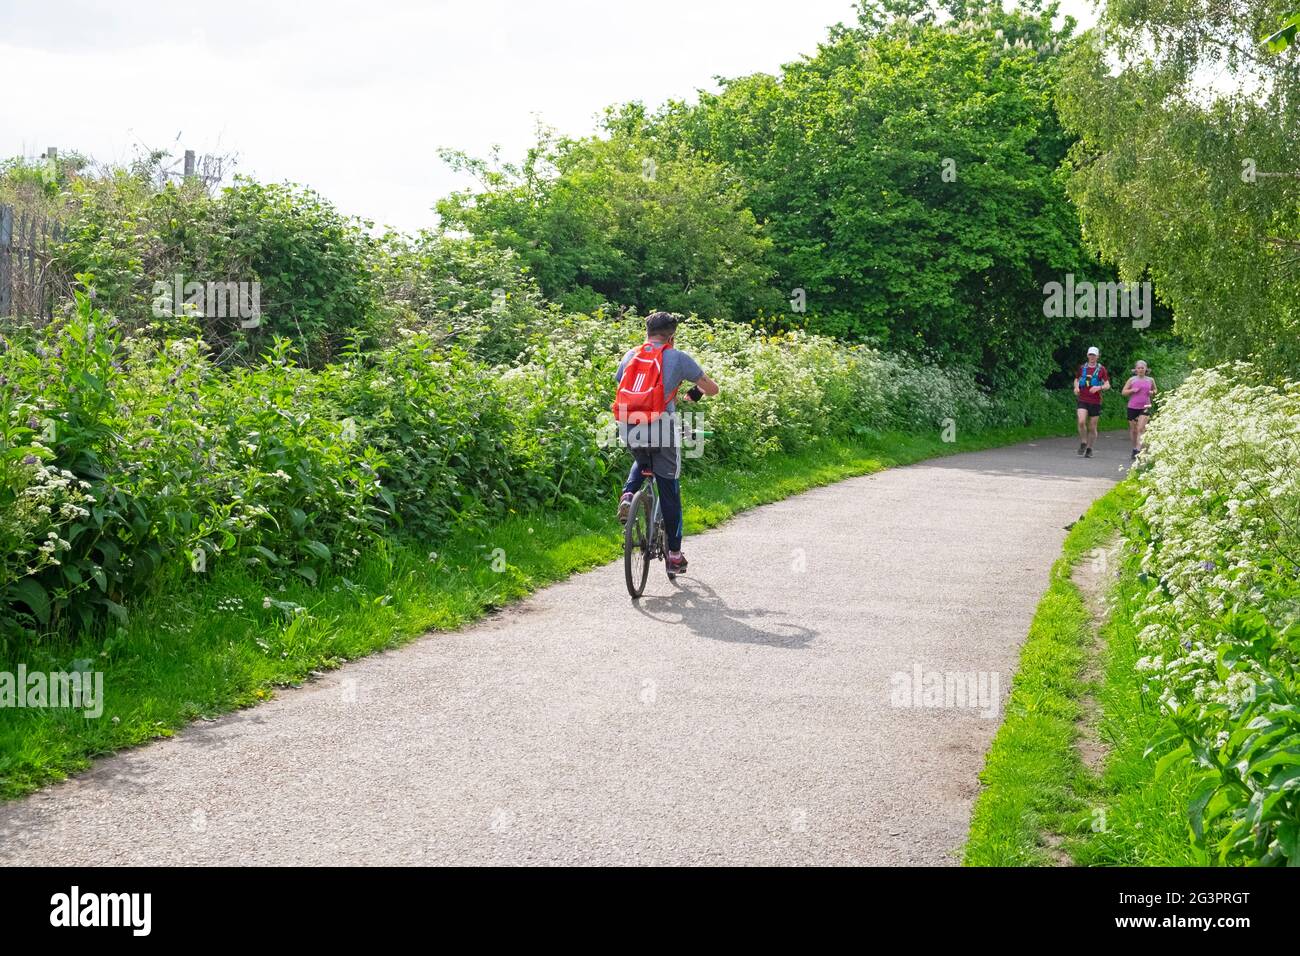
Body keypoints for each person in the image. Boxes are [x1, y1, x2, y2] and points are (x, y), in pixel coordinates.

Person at [613, 312, 718, 575]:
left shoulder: (631, 355)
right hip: (662, 427)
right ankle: (674, 555)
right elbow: (711, 388)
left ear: (646, 331)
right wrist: (695, 393)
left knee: (641, 460)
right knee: (669, 489)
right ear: (671, 335)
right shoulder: (677, 357)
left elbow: (621, 382)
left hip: (628, 424)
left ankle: (628, 495)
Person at [1073, 345, 1109, 458]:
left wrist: (1099, 388)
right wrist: (1076, 387)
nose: (1092, 357)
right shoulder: (1082, 367)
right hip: (1083, 398)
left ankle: (1090, 448)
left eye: (1094, 355)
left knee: (1092, 427)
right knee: (1081, 421)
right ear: (1087, 355)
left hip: (1095, 401)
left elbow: (1107, 384)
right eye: (1090, 354)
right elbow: (1077, 379)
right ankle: (1084, 442)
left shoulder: (1101, 369)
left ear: (1097, 356)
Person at [1121, 360, 1156, 460]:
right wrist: (1132, 390)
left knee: (1141, 428)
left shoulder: (1150, 380)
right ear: (1135, 369)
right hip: (1132, 407)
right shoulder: (1132, 380)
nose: (1141, 369)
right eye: (1139, 368)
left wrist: (1152, 392)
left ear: (1146, 369)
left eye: (1142, 368)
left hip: (1145, 406)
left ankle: (1137, 449)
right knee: (1134, 430)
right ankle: (1134, 448)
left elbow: (1155, 390)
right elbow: (1123, 392)